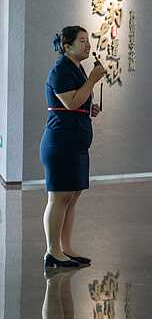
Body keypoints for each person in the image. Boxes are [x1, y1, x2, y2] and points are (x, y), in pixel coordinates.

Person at [40, 26, 105, 269]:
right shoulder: (60, 70)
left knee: (72, 196)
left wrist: (89, 108)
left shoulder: (77, 69)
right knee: (59, 197)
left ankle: (65, 249)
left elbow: (79, 101)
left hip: (76, 144)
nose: (88, 45)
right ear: (67, 46)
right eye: (82, 41)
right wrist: (92, 81)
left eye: (88, 41)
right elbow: (71, 103)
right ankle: (53, 252)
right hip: (60, 143)